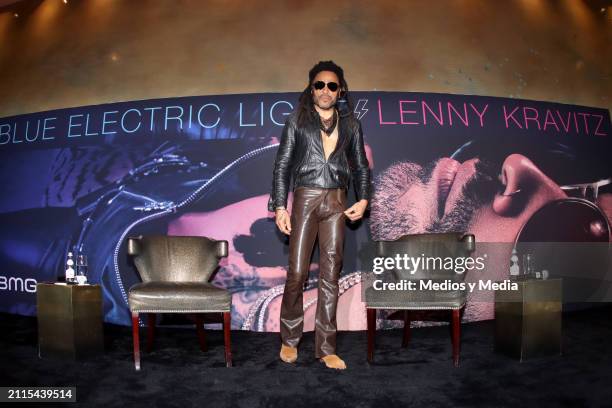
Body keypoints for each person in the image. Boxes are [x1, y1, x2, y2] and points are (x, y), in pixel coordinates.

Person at [268, 60, 370, 369]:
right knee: (297, 272)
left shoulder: (351, 125)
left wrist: (364, 199)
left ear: (340, 90)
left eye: (332, 85)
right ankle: (289, 340)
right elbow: (282, 163)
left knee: (331, 274)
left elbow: (361, 165)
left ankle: (326, 348)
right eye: (319, 84)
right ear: (311, 88)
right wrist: (280, 206)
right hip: (305, 199)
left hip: (337, 201)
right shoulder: (297, 119)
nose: (325, 90)